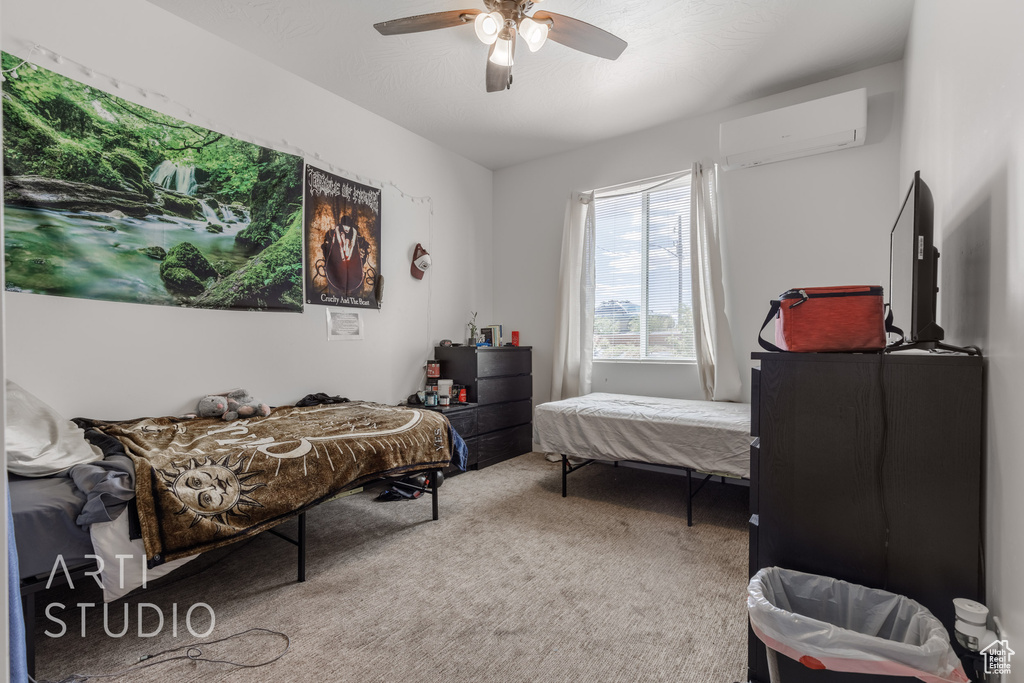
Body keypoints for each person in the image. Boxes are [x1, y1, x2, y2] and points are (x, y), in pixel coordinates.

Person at [322, 215, 367, 296]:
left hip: (350, 257)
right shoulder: (336, 231)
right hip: (339, 258)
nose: (346, 228)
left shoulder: (354, 232)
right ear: (342, 225)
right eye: (345, 226)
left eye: (348, 227)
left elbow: (354, 245)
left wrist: (350, 256)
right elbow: (336, 245)